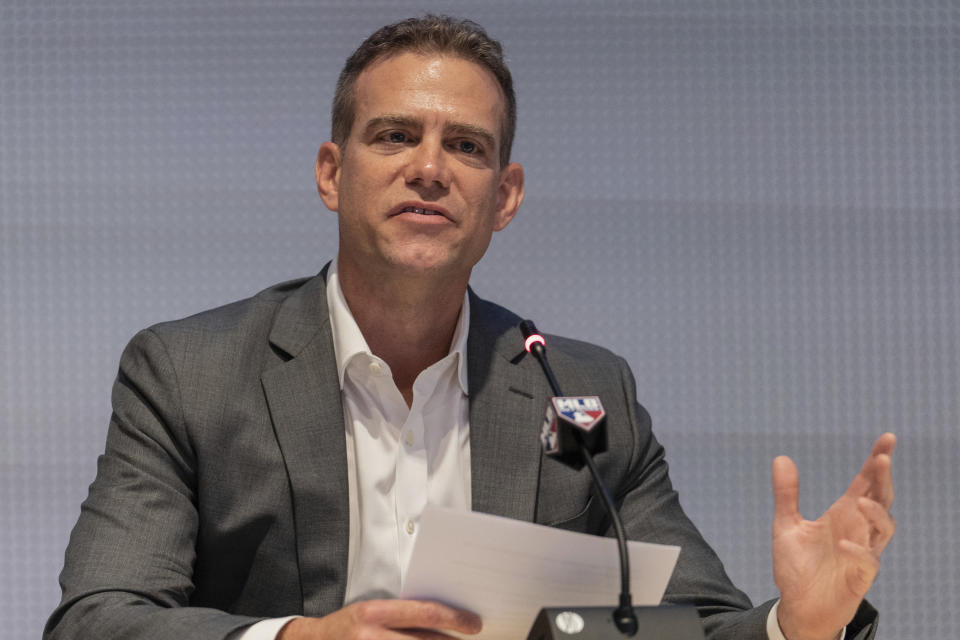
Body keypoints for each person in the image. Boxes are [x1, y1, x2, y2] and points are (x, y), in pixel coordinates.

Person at [45, 15, 896, 640]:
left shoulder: (584, 395)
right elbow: (99, 618)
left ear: (506, 196)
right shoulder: (188, 372)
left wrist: (796, 624)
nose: (428, 168)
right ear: (332, 173)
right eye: (394, 136)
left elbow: (685, 626)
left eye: (466, 147)